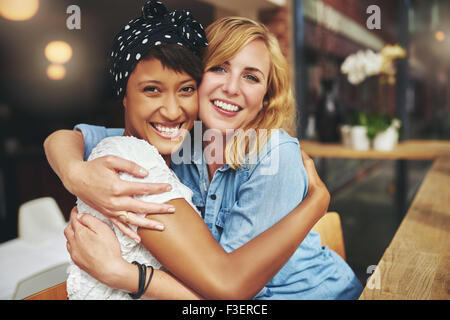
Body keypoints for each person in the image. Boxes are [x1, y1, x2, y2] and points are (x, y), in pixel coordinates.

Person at [45, 1, 362, 300]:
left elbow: (233, 288)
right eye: (220, 68)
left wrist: (125, 274)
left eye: (251, 77)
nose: (232, 88)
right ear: (198, 75)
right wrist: (75, 174)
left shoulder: (272, 153)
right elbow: (65, 138)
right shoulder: (178, 136)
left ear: (267, 97)